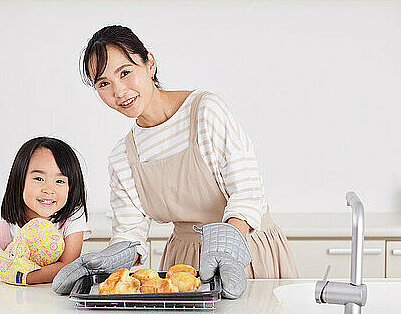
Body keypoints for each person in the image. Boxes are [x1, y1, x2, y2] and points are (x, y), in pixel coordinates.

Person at [53, 25, 297, 298]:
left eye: (125, 73)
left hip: (246, 249)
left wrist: (226, 247)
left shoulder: (205, 111)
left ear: (150, 64)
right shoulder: (123, 156)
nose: (119, 91)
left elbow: (248, 193)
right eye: (104, 84)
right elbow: (130, 234)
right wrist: (111, 260)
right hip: (184, 262)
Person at [0, 137, 91, 284]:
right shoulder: (3, 233)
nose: (49, 189)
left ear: (71, 187)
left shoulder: (71, 221)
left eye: (60, 181)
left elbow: (68, 267)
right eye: (39, 179)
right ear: (19, 180)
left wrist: (23, 277)